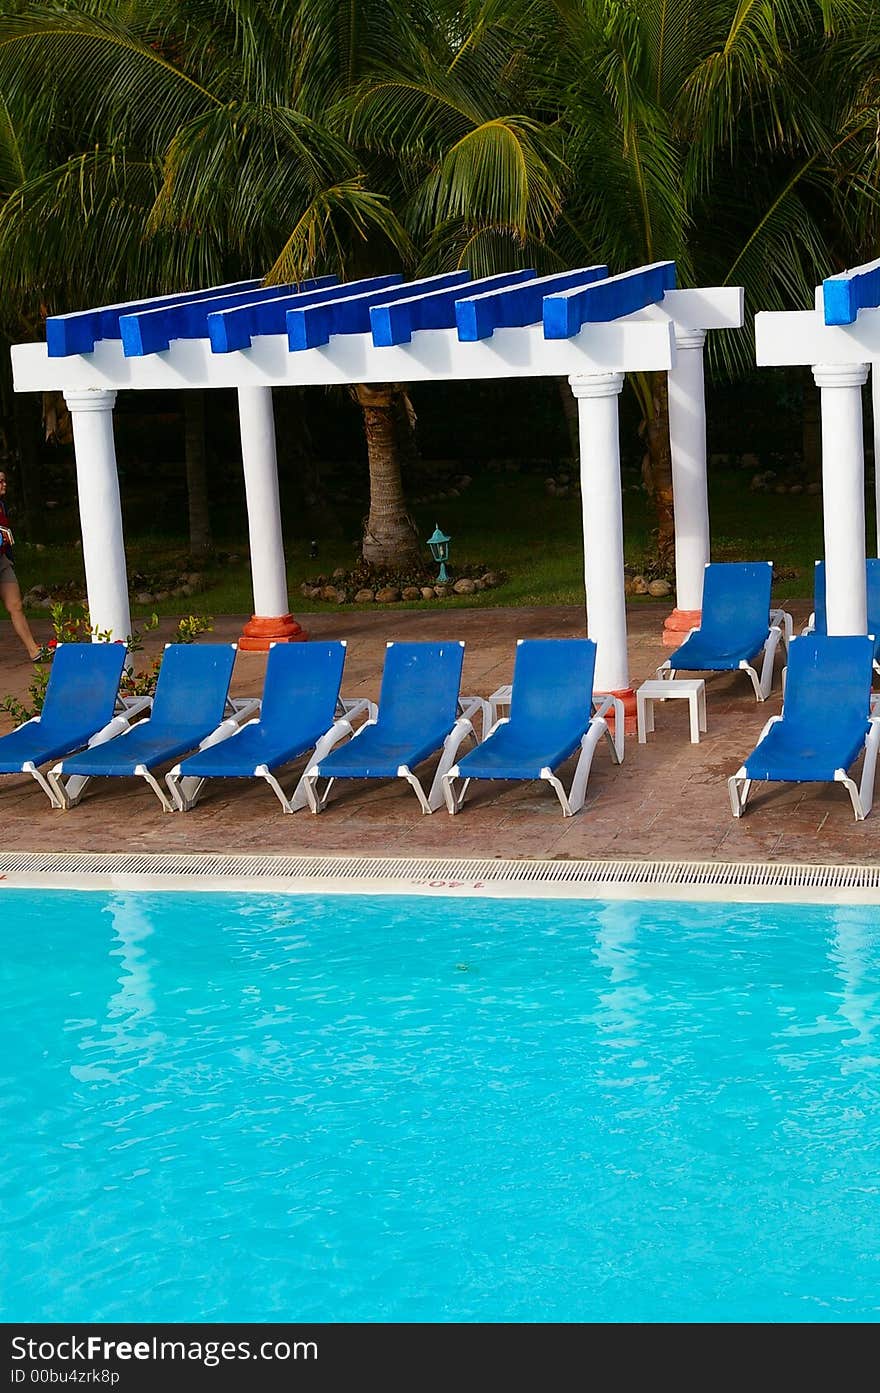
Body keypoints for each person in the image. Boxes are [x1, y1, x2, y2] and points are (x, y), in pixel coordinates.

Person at [0, 470, 47, 662]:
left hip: (2, 562)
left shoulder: (2, 505)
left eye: (4, 480)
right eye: (0, 481)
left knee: (16, 605)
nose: (4, 484)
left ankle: (33, 650)